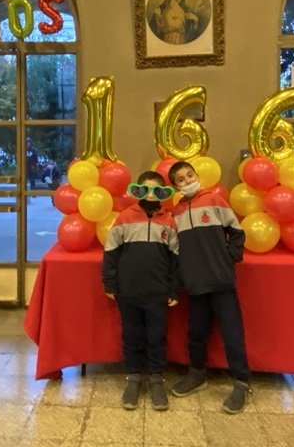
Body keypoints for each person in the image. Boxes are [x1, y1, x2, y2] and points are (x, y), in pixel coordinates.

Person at [168, 161, 251, 414]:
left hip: (221, 280)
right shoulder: (175, 214)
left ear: (196, 175)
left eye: (189, 175)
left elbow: (237, 232)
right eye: (181, 179)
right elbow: (175, 250)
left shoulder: (215, 201)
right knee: (197, 331)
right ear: (176, 186)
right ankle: (197, 373)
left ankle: (242, 382)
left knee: (232, 332)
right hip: (195, 283)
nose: (187, 181)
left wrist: (229, 257)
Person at [102, 171, 180, 411]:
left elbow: (176, 259)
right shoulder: (125, 217)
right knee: (132, 335)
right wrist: (110, 283)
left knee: (157, 336)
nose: (151, 195)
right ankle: (134, 377)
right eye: (146, 189)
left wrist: (174, 288)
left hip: (158, 291)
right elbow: (111, 253)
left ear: (164, 193)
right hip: (128, 291)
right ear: (137, 190)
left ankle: (156, 378)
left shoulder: (169, 221)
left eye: (157, 190)